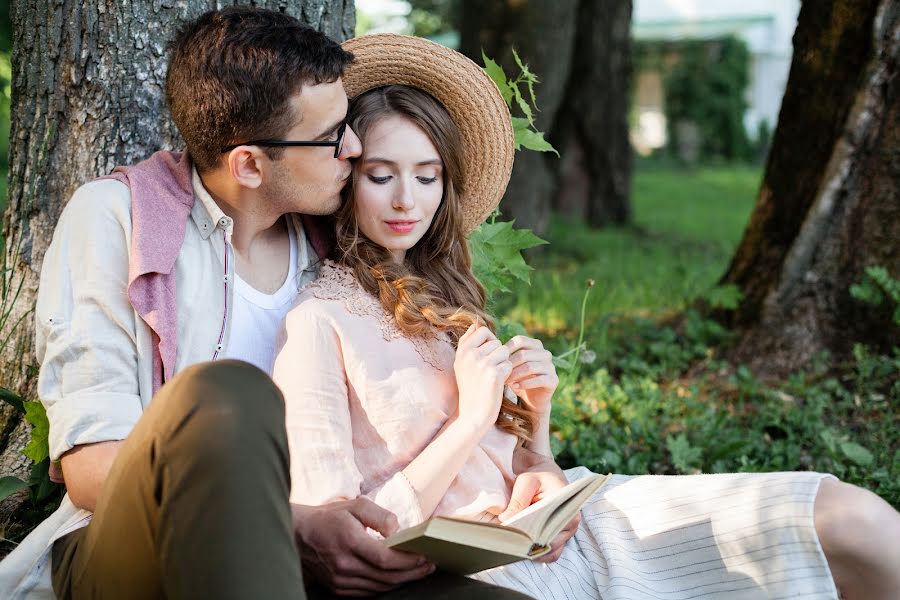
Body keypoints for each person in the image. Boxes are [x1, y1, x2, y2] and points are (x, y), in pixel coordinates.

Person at [273, 33, 900, 600]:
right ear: (345, 177)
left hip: (574, 533)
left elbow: (524, 471)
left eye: (428, 176)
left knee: (851, 521)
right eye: (381, 175)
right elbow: (350, 546)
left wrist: (537, 441)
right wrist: (468, 418)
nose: (409, 200)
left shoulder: (445, 296)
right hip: (489, 577)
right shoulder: (317, 324)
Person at [0, 10, 531, 600]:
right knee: (226, 395)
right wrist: (297, 524)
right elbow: (93, 471)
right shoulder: (116, 219)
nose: (353, 148)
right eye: (332, 137)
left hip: (326, 542)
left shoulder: (337, 241)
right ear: (249, 164)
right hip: (142, 545)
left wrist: (528, 451)